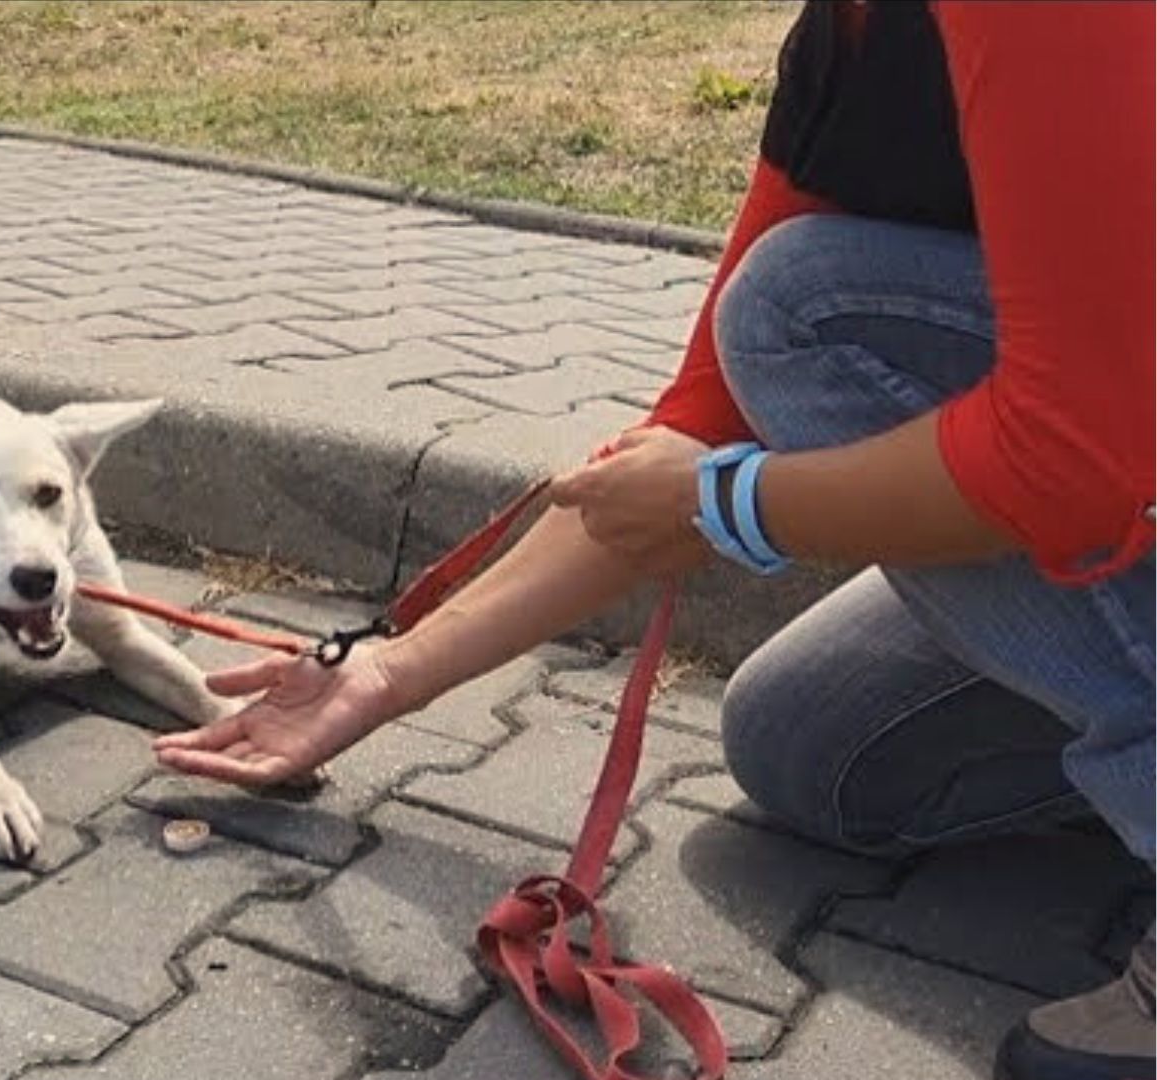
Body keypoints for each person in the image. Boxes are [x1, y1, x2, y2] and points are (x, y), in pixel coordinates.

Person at [152, 4, 1154, 1078]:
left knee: (805, 305)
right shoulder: (857, 41)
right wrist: (388, 674)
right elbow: (703, 420)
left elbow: (1073, 455)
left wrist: (733, 505)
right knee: (813, 749)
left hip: (1113, 455)